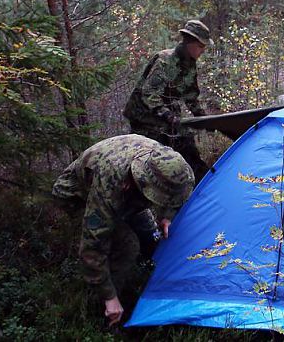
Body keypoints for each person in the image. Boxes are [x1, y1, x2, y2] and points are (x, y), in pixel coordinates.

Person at [52, 134, 194, 326]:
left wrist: (167, 217)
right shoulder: (110, 181)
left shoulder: (168, 162)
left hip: (127, 193)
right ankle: (106, 310)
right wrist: (109, 295)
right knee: (127, 245)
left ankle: (149, 284)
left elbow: (176, 195)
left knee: (151, 236)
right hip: (78, 196)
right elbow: (93, 245)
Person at [123, 19, 212, 183]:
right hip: (145, 119)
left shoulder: (190, 65)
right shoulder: (165, 60)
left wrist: (204, 118)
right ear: (189, 43)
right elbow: (149, 93)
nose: (203, 50)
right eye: (200, 46)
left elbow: (191, 95)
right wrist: (167, 115)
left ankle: (201, 184)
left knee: (187, 147)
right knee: (149, 163)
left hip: (165, 117)